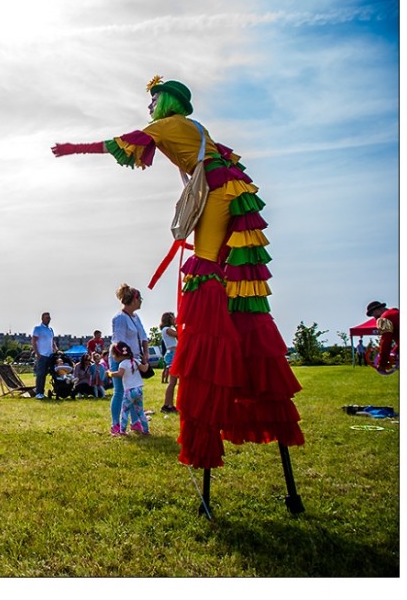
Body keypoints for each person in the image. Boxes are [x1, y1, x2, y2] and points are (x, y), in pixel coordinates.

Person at [52, 75, 304, 470]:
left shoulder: (167, 125)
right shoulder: (194, 128)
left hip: (220, 194)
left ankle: (211, 362)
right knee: (230, 280)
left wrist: (72, 149)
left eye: (153, 100)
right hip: (232, 191)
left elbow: (117, 144)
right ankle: (236, 349)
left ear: (167, 101)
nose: (149, 107)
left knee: (203, 272)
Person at [109, 285, 150, 431]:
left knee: (134, 389)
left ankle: (135, 422)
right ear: (133, 300)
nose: (141, 302)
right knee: (120, 391)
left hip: (134, 359)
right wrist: (125, 361)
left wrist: (145, 354)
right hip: (120, 359)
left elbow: (144, 336)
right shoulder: (120, 318)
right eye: (139, 299)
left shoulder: (136, 317)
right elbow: (118, 343)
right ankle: (116, 424)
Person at [108, 342, 150, 436]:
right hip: (139, 390)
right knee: (140, 411)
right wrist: (146, 363)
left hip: (129, 392)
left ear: (118, 355)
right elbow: (144, 369)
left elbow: (119, 374)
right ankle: (145, 430)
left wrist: (110, 374)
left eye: (113, 355)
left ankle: (122, 431)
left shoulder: (122, 364)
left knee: (125, 411)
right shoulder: (135, 361)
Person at [366, 301, 399, 374]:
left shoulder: (384, 318)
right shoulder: (396, 312)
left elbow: (386, 341)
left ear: (377, 311)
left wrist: (382, 364)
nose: (375, 318)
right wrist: (394, 352)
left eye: (373, 315)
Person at [31, 312, 59, 400]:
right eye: (47, 318)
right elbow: (33, 341)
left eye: (49, 318)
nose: (48, 319)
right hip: (42, 355)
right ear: (42, 319)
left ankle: (44, 392)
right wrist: (37, 353)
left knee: (48, 374)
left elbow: (52, 341)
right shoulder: (38, 329)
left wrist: (56, 349)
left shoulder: (50, 329)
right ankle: (39, 392)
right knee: (40, 374)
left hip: (50, 355)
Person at [160, 312, 179, 413]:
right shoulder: (167, 330)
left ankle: (169, 404)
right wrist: (177, 324)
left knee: (173, 382)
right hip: (172, 354)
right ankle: (167, 405)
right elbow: (179, 334)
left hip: (173, 353)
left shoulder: (166, 329)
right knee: (172, 382)